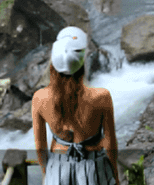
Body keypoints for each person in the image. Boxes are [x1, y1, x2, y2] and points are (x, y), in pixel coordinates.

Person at [32, 27, 120, 185]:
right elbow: (110, 143)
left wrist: (47, 173)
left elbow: (40, 147)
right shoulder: (101, 96)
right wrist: (115, 175)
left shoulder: (39, 98)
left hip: (58, 170)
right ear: (82, 64)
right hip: (94, 168)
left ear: (53, 63)